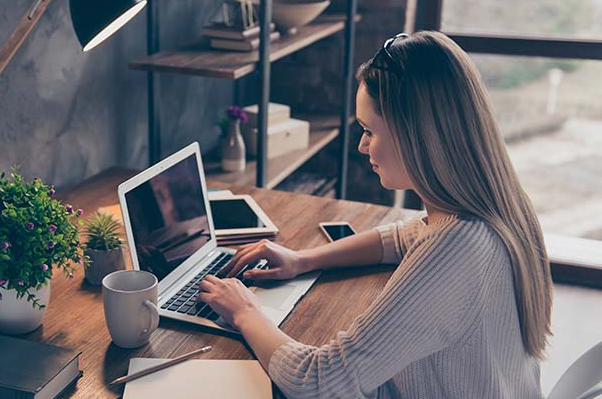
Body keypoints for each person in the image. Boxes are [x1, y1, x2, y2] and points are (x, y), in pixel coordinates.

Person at [198, 31, 552, 398]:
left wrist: (246, 311)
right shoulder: (494, 207)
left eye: (369, 131)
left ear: (418, 135)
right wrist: (301, 260)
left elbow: (320, 381)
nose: (361, 145)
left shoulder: (456, 247)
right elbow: (401, 237)